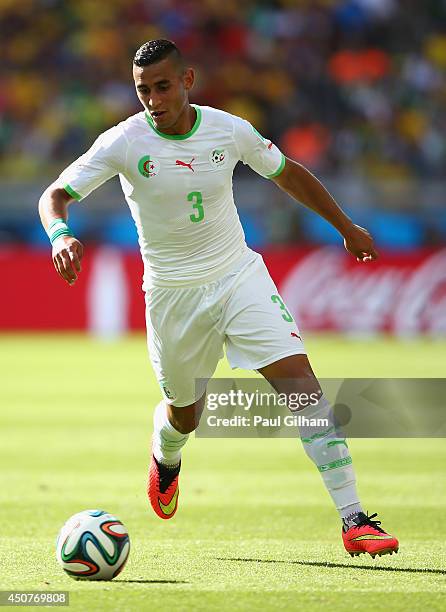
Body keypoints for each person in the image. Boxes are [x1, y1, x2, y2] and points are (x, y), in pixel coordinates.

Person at [39, 39, 398, 558]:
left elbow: (287, 172)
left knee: (302, 386)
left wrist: (345, 226)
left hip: (237, 276)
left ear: (187, 80)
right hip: (171, 296)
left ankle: (354, 519)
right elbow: (55, 195)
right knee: (186, 415)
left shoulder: (228, 130)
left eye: (162, 87)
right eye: (143, 91)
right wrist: (60, 235)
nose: (153, 100)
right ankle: (166, 457)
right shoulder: (122, 142)